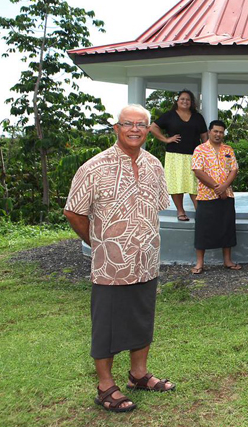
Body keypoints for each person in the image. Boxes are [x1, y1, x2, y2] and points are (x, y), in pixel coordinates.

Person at [64, 105, 175, 414]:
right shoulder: (94, 167)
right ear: (116, 128)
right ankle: (104, 387)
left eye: (141, 124)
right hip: (110, 265)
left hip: (147, 259)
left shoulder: (154, 165)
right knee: (108, 325)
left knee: (142, 317)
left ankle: (138, 375)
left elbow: (157, 206)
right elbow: (73, 211)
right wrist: (98, 242)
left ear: (148, 129)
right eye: (128, 124)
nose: (135, 129)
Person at [149, 90, 208, 221]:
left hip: (195, 155)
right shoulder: (169, 115)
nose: (185, 101)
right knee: (177, 184)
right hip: (174, 155)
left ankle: (200, 212)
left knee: (195, 185)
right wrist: (166, 139)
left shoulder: (198, 117)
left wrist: (206, 152)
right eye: (182, 99)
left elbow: (204, 136)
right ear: (177, 101)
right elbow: (153, 127)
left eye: (187, 99)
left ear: (191, 102)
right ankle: (180, 211)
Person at [190, 120, 240, 274]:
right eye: (215, 131)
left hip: (227, 195)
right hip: (206, 196)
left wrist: (225, 187)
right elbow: (198, 171)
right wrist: (218, 188)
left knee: (227, 227)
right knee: (203, 229)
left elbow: (234, 170)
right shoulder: (200, 149)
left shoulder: (228, 149)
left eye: (221, 132)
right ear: (209, 131)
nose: (218, 134)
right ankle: (199, 263)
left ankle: (227, 261)